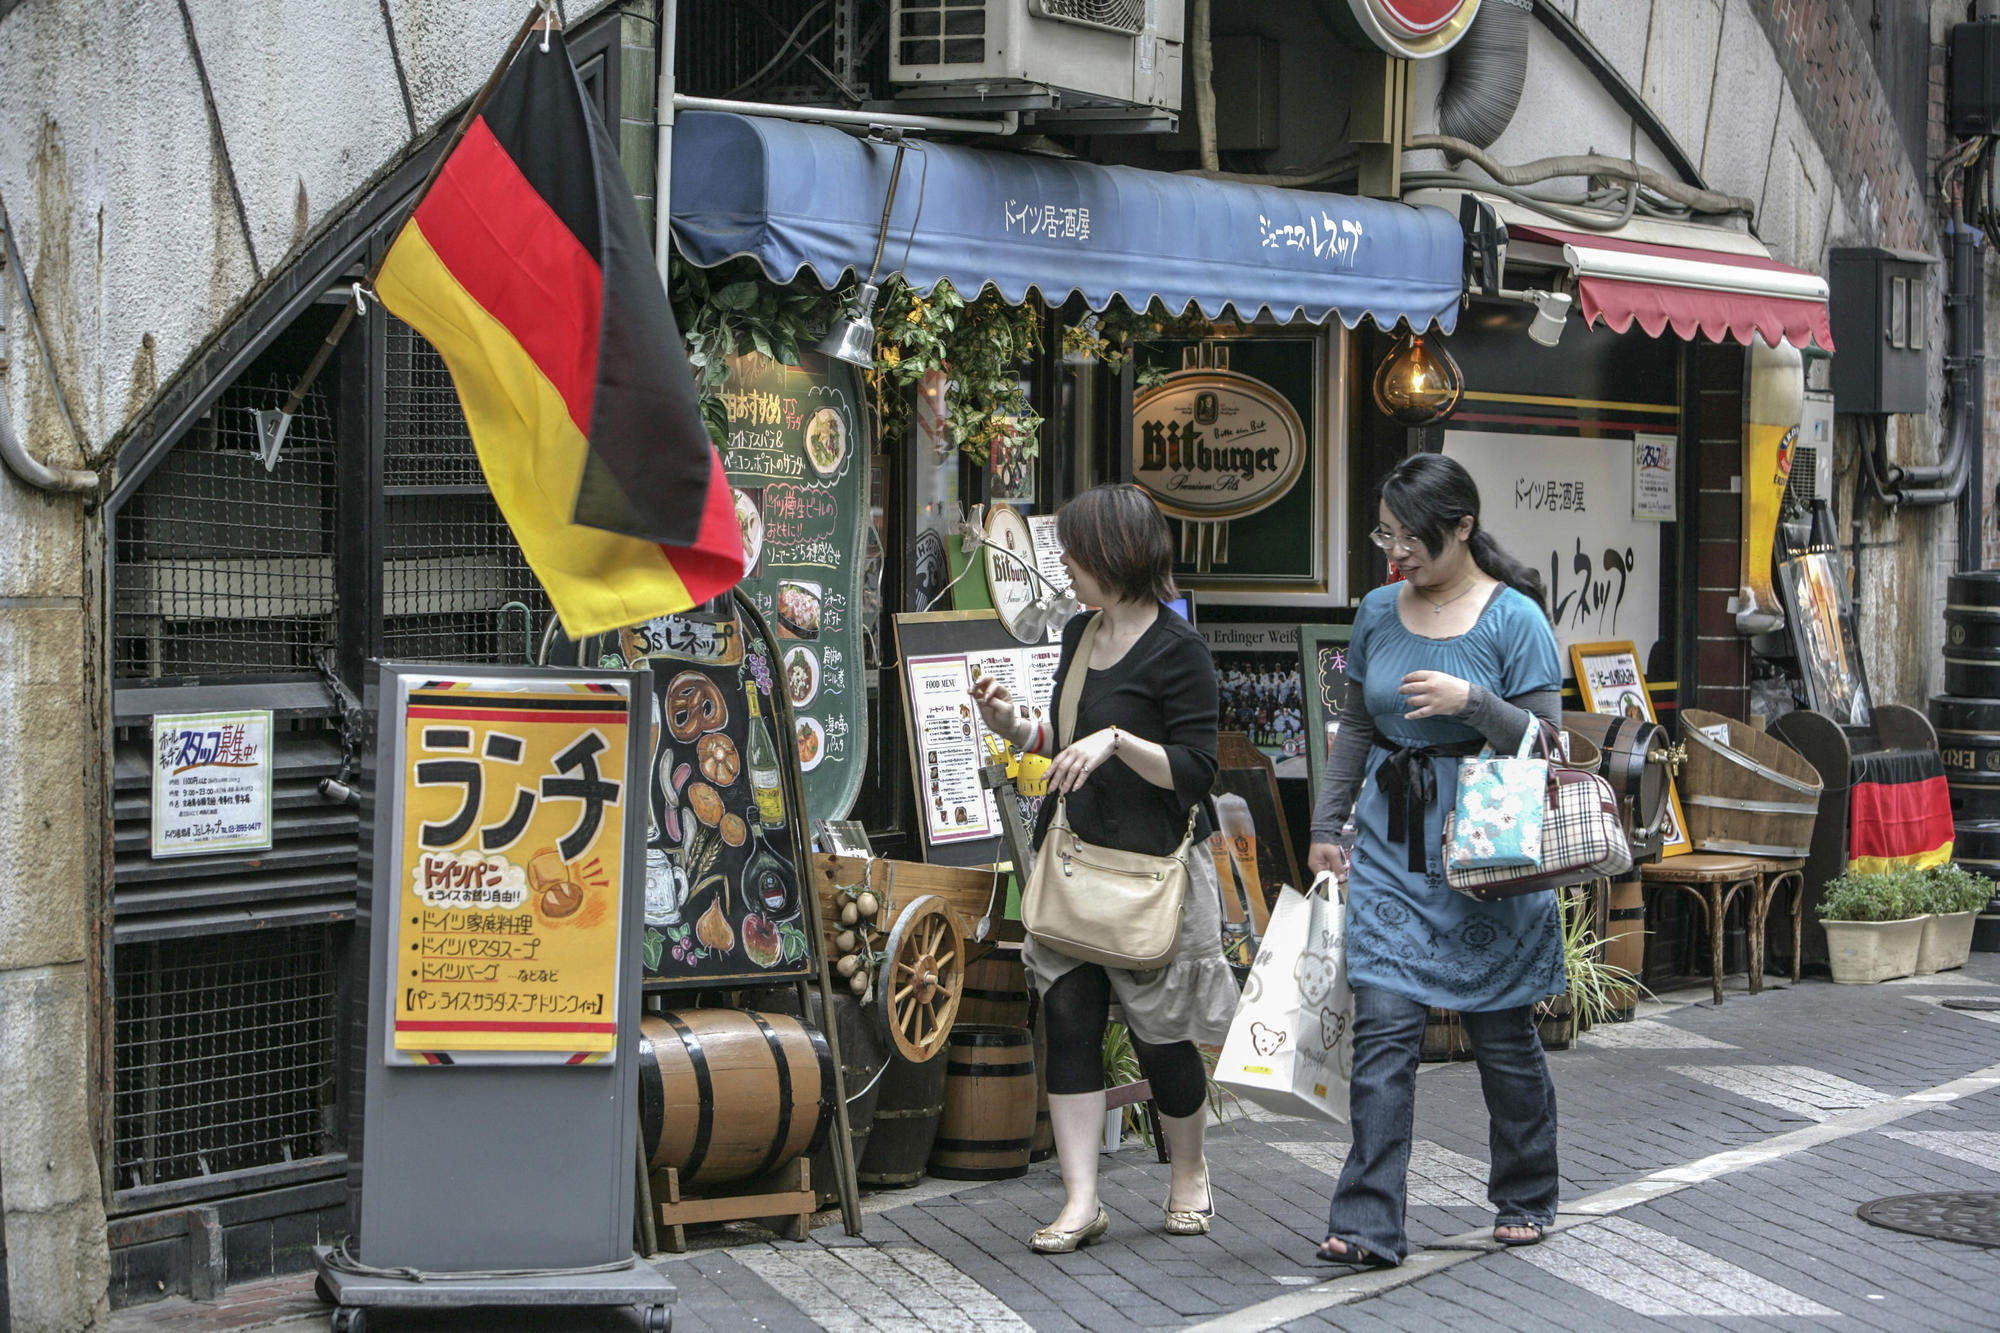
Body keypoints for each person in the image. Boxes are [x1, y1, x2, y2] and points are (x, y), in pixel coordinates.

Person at [1306, 452, 1566, 1268]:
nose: (1398, 551)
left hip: (1489, 854)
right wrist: (1327, 821)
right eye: (1387, 532)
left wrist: (1473, 704)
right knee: (1384, 1034)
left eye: (1412, 535)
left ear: (1461, 527)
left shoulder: (1514, 617)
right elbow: (1356, 725)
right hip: (1390, 849)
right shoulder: (1379, 610)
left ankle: (1525, 1192)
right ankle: (1368, 1219)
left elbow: (1549, 743)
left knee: (1503, 1036)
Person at [972, 483, 1236, 1254]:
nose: (1065, 562)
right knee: (1070, 1020)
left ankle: (1189, 1172)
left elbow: (1195, 770)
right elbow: (1060, 736)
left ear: (1117, 555)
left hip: (1153, 873)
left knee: (1162, 1036)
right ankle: (1081, 1198)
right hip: (1078, 860)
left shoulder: (1180, 649)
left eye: (1077, 552)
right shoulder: (1081, 633)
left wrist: (1118, 741)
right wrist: (1010, 722)